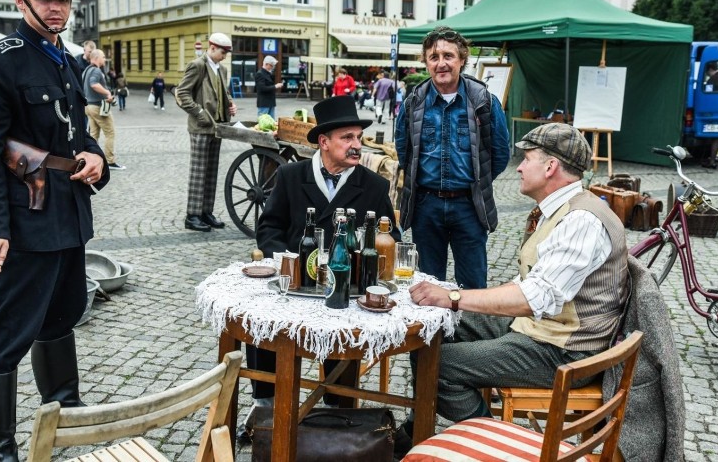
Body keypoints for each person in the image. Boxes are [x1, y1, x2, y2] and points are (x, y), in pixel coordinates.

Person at [394, 123, 629, 454]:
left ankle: (492, 444)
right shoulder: (560, 209)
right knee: (431, 332)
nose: (518, 166)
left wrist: (455, 297)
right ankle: (418, 425)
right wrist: (449, 304)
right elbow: (530, 284)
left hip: (564, 349)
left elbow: (535, 298)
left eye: (527, 158)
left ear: (550, 167)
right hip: (542, 327)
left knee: (439, 364)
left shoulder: (581, 220)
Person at [0, 0, 110, 462]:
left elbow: (78, 133)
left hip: (67, 216)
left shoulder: (64, 60)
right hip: (23, 222)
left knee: (62, 317)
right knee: (7, 333)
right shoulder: (0, 61)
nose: (56, 9)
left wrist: (96, 156)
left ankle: (63, 409)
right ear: (19, 0)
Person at [244, 95, 401, 439]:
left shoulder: (372, 185)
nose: (356, 146)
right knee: (263, 318)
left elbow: (392, 237)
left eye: (358, 138)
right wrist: (289, 262)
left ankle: (337, 406)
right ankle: (265, 406)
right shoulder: (289, 176)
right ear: (324, 142)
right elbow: (268, 229)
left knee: (348, 324)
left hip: (346, 289)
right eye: (348, 138)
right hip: (296, 283)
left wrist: (364, 251)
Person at [395, 26, 510, 290]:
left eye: (448, 55)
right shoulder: (413, 102)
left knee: (473, 283)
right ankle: (436, 333)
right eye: (434, 57)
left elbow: (500, 154)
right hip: (426, 206)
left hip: (469, 205)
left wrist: (477, 182)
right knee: (427, 283)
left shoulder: (484, 101)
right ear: (426, 62)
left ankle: (471, 331)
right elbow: (404, 152)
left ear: (462, 59)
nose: (441, 63)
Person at [175, 32, 237, 232]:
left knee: (211, 172)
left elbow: (223, 92)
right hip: (201, 127)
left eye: (226, 53)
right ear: (211, 48)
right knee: (198, 172)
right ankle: (192, 215)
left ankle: (206, 212)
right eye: (222, 52)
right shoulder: (198, 65)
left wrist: (230, 105)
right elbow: (182, 92)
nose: (224, 56)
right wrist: (199, 112)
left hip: (218, 127)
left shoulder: (222, 69)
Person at [84, 49, 124, 170]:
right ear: (96, 58)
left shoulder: (86, 70)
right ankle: (110, 161)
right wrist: (107, 93)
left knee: (93, 135)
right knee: (110, 133)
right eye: (103, 56)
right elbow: (94, 84)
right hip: (98, 107)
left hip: (89, 106)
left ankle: (91, 158)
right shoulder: (96, 71)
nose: (104, 59)